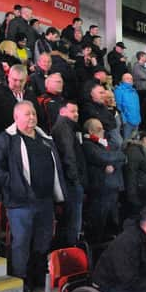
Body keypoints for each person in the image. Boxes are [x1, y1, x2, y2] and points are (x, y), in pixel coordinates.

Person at [0, 101, 66, 292]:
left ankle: (37, 275)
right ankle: (20, 278)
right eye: (27, 114)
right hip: (20, 202)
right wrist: (14, 183)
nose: (32, 117)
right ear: (16, 117)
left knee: (43, 240)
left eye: (34, 114)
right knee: (21, 241)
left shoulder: (45, 138)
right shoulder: (6, 139)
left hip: (45, 200)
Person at [82, 118, 125, 242]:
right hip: (100, 189)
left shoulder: (108, 143)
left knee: (114, 222)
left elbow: (121, 156)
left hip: (113, 187)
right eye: (99, 129)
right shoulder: (88, 145)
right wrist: (114, 158)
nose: (103, 131)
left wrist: (114, 164)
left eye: (102, 129)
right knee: (99, 223)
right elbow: (103, 157)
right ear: (90, 131)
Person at [52, 102, 87, 247]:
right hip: (70, 181)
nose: (76, 114)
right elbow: (68, 154)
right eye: (72, 111)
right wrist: (75, 178)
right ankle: (71, 249)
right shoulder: (64, 128)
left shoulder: (67, 127)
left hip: (69, 179)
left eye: (77, 111)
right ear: (62, 112)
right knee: (73, 218)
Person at [124, 131, 146, 217]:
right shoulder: (133, 151)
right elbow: (131, 174)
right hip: (138, 192)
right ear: (145, 139)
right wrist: (132, 196)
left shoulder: (141, 150)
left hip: (144, 190)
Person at [114, 73, 141, 141]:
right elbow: (118, 106)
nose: (130, 80)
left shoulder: (134, 91)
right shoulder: (119, 90)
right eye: (127, 78)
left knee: (135, 143)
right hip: (127, 122)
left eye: (131, 79)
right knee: (126, 143)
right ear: (123, 80)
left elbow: (137, 106)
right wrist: (124, 120)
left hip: (136, 121)